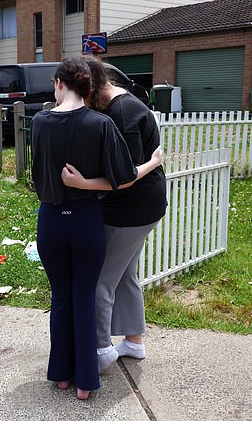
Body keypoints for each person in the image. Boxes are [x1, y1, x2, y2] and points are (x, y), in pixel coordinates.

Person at [31, 57, 162, 400]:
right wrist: (154, 161)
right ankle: (87, 382)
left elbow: (37, 176)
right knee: (86, 299)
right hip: (87, 220)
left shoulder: (40, 122)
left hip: (51, 221)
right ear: (90, 87)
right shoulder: (101, 123)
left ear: (59, 84)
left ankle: (60, 375)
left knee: (60, 298)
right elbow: (125, 176)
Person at [61, 55, 168, 375]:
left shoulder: (122, 113)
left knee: (98, 281)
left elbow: (125, 175)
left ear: (91, 87)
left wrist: (80, 183)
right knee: (124, 274)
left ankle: (100, 350)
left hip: (129, 209)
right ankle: (133, 343)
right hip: (143, 207)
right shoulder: (123, 105)